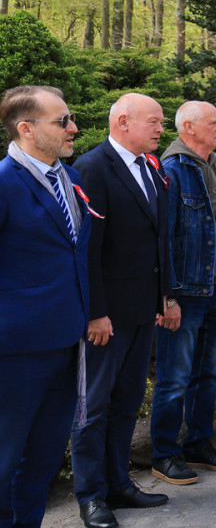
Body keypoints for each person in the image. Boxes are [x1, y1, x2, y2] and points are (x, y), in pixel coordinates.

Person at [72, 93, 174, 527]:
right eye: (152, 121)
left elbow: (159, 241)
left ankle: (119, 484)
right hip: (106, 318)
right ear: (122, 121)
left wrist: (164, 298)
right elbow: (88, 249)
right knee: (93, 408)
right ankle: (91, 495)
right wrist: (96, 312)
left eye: (162, 122)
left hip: (141, 312)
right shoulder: (93, 168)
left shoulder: (152, 169)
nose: (159, 129)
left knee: (127, 402)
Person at [0, 86, 90, 528]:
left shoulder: (70, 181)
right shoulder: (3, 183)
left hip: (67, 340)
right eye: (63, 121)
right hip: (15, 349)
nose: (73, 128)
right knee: (4, 457)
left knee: (46, 456)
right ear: (27, 129)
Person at [150, 102, 216, 487]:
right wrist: (167, 296)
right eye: (215, 123)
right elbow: (164, 241)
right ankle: (164, 455)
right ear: (189, 128)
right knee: (174, 378)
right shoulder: (172, 171)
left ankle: (199, 445)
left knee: (207, 375)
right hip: (186, 294)